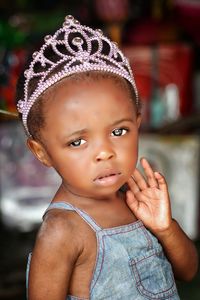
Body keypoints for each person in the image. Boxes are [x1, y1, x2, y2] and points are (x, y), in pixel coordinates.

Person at [16, 15, 198, 300]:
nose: (104, 152)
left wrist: (165, 228)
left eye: (119, 131)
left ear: (138, 123)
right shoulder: (62, 231)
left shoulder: (133, 198)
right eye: (77, 141)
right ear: (42, 152)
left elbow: (188, 271)